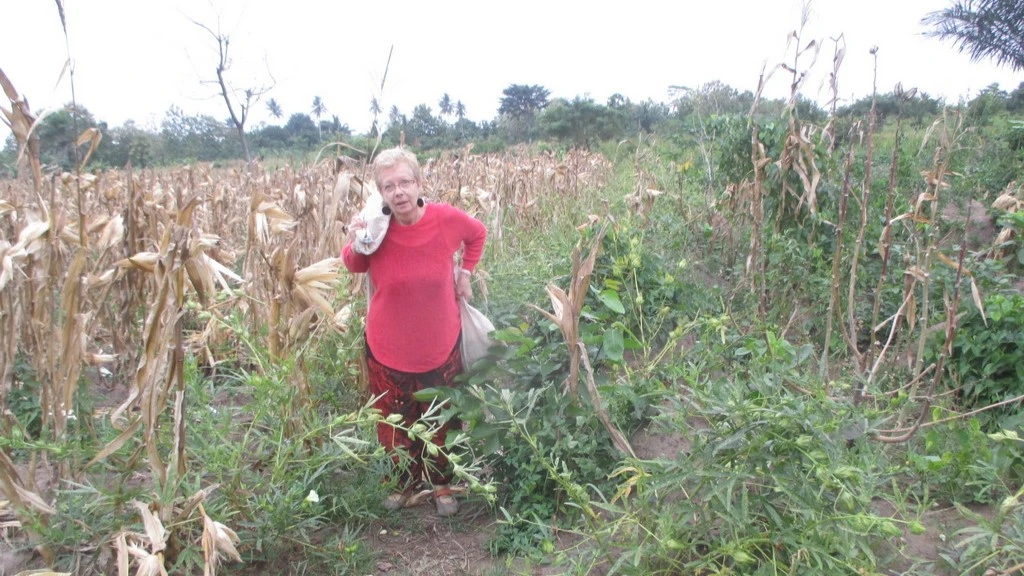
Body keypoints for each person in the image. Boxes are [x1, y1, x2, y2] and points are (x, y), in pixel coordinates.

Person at [341, 147, 487, 517]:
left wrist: (465, 273)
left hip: (440, 343)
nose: (399, 192)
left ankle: (442, 485)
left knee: (440, 415)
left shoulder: (444, 219)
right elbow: (354, 264)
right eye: (389, 186)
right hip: (386, 346)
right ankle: (403, 484)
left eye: (405, 182)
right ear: (380, 193)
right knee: (393, 420)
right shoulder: (377, 226)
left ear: (419, 183)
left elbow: (478, 234)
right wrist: (358, 236)